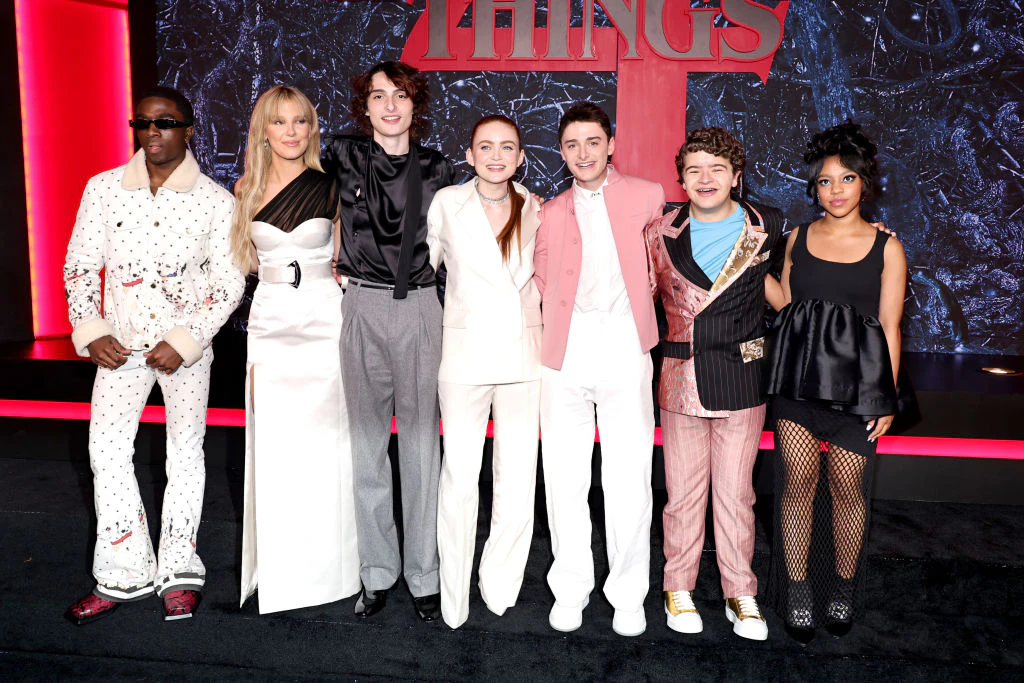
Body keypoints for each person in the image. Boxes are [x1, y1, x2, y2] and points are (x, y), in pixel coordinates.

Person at [63, 86, 245, 624]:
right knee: (106, 454)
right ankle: (123, 573)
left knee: (185, 455)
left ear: (189, 128)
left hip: (184, 354)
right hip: (117, 350)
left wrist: (186, 340)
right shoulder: (103, 190)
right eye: (142, 123)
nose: (152, 133)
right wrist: (91, 330)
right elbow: (78, 265)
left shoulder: (216, 200)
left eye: (165, 122)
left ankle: (179, 573)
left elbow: (229, 281)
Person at [765, 121, 907, 643]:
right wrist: (748, 263)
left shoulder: (887, 248)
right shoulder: (797, 239)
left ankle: (842, 588)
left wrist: (885, 397)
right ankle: (798, 591)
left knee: (849, 491)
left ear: (864, 183)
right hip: (798, 382)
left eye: (846, 179)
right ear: (814, 188)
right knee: (797, 488)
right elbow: (787, 305)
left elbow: (891, 326)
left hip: (858, 390)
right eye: (825, 182)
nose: (836, 190)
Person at [323, 61, 454, 622]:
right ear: (366, 106)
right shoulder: (342, 154)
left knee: (423, 448)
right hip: (361, 304)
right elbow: (281, 180)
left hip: (422, 304)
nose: (390, 106)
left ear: (414, 103)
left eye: (400, 95)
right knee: (367, 446)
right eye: (379, 96)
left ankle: (425, 576)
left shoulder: (438, 167)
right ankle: (377, 573)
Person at [643, 128, 785, 641]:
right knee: (681, 496)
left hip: (743, 378)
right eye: (695, 169)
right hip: (680, 379)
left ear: (736, 177)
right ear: (680, 177)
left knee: (735, 495)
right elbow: (638, 299)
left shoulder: (765, 225)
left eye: (717, 169)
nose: (706, 179)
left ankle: (739, 594)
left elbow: (784, 294)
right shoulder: (658, 232)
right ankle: (676, 587)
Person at [533, 102, 665, 637]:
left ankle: (628, 593)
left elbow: (663, 264)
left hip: (626, 347)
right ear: (561, 153)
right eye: (571, 144)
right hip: (564, 351)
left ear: (610, 144)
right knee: (563, 477)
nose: (583, 153)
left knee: (628, 477)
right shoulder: (549, 210)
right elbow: (541, 277)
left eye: (592, 141)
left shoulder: (648, 195)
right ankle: (570, 587)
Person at [233, 85, 360, 614]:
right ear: (263, 129)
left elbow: (351, 258)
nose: (290, 132)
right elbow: (239, 260)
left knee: (332, 445)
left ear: (312, 128)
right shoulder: (244, 188)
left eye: (300, 122)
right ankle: (281, 570)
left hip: (324, 320)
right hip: (269, 324)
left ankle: (334, 570)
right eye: (279, 122)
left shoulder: (332, 187)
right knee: (277, 445)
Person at [426, 115, 543, 629]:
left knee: (517, 478)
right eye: (485, 147)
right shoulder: (447, 203)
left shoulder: (538, 207)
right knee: (459, 477)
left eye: (508, 147)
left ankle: (499, 583)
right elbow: (419, 271)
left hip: (524, 355)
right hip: (464, 355)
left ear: (521, 157)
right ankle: (453, 594)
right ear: (469, 155)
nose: (496, 155)